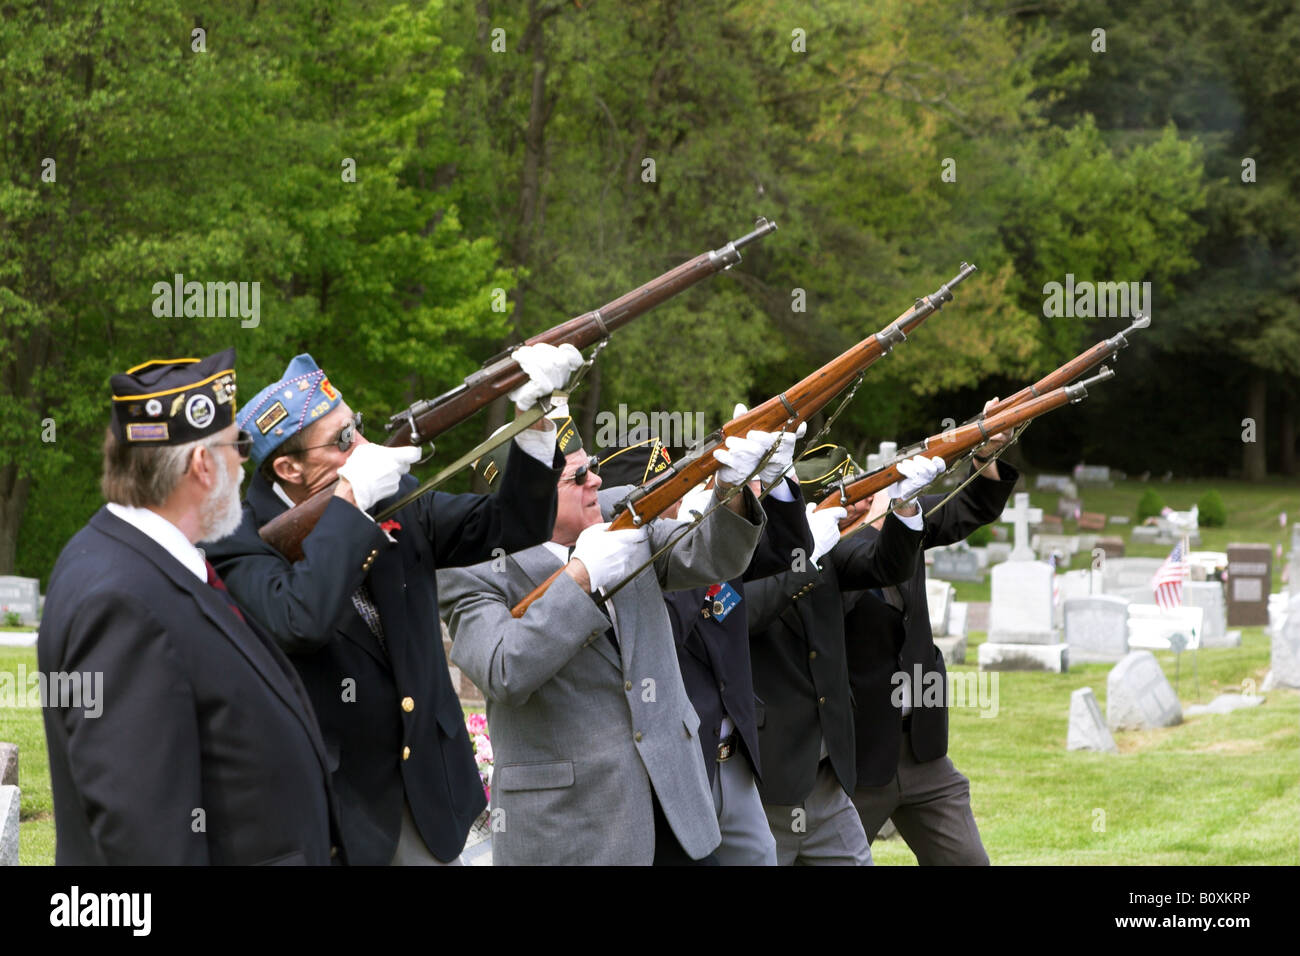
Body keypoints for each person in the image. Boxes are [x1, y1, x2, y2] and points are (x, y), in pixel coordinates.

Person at [204, 344, 579, 865]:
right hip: (331, 815)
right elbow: (300, 620)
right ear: (288, 468)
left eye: (354, 425)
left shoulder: (393, 494)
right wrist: (352, 505)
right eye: (340, 440)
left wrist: (534, 421)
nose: (361, 444)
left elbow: (512, 525)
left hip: (433, 796)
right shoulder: (235, 538)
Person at [39, 349, 343, 864]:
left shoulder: (144, 562)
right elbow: (148, 842)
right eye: (238, 445)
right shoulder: (120, 603)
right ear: (202, 464)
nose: (245, 461)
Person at [437, 409, 779, 865]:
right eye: (576, 476)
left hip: (677, 807)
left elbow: (712, 556)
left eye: (592, 465)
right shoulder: (471, 567)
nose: (595, 480)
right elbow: (505, 670)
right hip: (574, 830)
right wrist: (582, 576)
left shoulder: (624, 520)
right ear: (521, 493)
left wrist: (734, 488)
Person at [601, 423, 811, 866]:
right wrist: (701, 532)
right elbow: (672, 629)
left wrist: (775, 484)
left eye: (677, 492)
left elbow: (789, 553)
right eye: (662, 498)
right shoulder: (618, 569)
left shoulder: (703, 543)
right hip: (674, 768)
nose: (676, 504)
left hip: (732, 759)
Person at [744, 449, 944, 865]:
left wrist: (903, 511)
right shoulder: (738, 548)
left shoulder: (821, 541)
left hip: (828, 777)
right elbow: (747, 613)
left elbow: (885, 564)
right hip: (766, 782)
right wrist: (807, 555)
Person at [845, 407, 1017, 865]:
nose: (866, 503)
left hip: (923, 750)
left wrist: (984, 454)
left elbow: (972, 507)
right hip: (856, 761)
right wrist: (885, 522)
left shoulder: (907, 525)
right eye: (858, 497)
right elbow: (862, 562)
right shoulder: (820, 557)